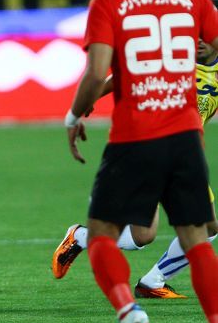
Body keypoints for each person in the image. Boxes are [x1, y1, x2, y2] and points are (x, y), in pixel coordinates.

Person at [64, 0, 218, 323]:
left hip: (135, 138)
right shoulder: (194, 0)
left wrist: (74, 114)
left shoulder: (110, 3)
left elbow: (97, 74)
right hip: (185, 139)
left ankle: (128, 308)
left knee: (104, 235)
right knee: (197, 241)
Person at [53, 40, 218, 298]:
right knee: (202, 226)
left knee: (144, 235)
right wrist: (90, 97)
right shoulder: (172, 59)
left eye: (207, 34)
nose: (200, 40)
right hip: (147, 147)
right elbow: (126, 75)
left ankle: (145, 277)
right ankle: (88, 241)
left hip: (182, 154)